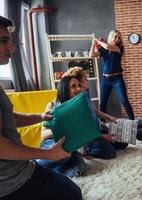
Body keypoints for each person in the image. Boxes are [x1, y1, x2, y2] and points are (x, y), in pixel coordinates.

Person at [0, 16, 82, 200]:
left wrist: (41, 116)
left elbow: (9, 118)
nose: (12, 48)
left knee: (73, 189)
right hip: (9, 185)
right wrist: (48, 153)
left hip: (22, 168)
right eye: (4, 41)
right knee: (71, 195)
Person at [63, 67, 128, 158]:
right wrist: (103, 137)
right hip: (88, 136)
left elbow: (96, 111)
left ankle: (103, 142)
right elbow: (84, 129)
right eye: (85, 78)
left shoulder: (85, 95)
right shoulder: (74, 104)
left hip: (97, 130)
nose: (87, 80)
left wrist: (109, 118)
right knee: (110, 152)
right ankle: (89, 149)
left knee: (124, 142)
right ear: (80, 82)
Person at [36, 76, 87, 177]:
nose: (78, 89)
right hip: (52, 143)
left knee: (78, 170)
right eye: (73, 86)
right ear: (64, 89)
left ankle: (48, 173)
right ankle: (33, 166)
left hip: (72, 148)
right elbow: (43, 135)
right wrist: (63, 129)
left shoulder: (80, 107)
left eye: (79, 85)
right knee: (64, 154)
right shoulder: (52, 106)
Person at [89, 30, 134, 120]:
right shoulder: (102, 50)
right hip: (105, 80)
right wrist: (93, 44)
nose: (117, 39)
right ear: (111, 37)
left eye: (119, 37)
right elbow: (91, 55)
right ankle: (102, 124)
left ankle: (133, 122)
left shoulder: (119, 48)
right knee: (103, 103)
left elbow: (108, 47)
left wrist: (98, 41)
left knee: (124, 100)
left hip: (117, 79)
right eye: (115, 37)